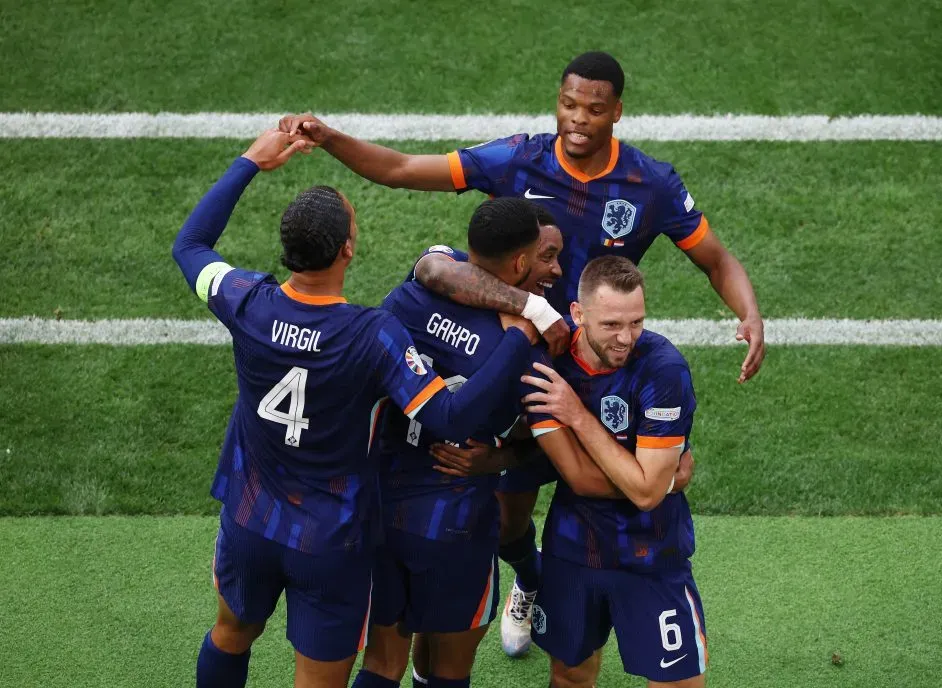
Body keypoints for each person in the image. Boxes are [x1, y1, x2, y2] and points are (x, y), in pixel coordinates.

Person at [279, 49, 760, 656]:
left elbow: (714, 259)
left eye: (593, 108)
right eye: (567, 104)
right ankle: (531, 579)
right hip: (517, 357)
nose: (577, 119)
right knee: (508, 515)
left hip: (593, 365)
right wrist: (328, 137)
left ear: (617, 112)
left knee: (595, 481)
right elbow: (402, 169)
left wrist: (749, 312)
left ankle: (578, 588)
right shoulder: (519, 159)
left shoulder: (651, 184)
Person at [171, 130, 539, 688]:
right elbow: (448, 418)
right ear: (347, 249)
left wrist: (250, 161)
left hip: (249, 518)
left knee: (230, 634)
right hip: (331, 541)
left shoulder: (245, 300)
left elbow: (190, 245)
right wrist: (517, 339)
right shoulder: (373, 335)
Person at [351, 198, 563, 688]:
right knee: (446, 671)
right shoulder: (529, 353)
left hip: (380, 504)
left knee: (382, 663)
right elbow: (554, 445)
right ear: (519, 263)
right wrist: (499, 460)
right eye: (542, 256)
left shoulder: (411, 292)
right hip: (455, 522)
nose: (551, 267)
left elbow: (434, 267)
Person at [521, 256, 706, 688]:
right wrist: (658, 480)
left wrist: (578, 416)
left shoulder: (664, 370)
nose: (626, 338)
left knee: (680, 684)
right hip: (574, 550)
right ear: (579, 315)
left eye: (637, 322)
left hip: (652, 552)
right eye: (611, 325)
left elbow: (645, 495)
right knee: (569, 676)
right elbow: (584, 479)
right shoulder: (547, 368)